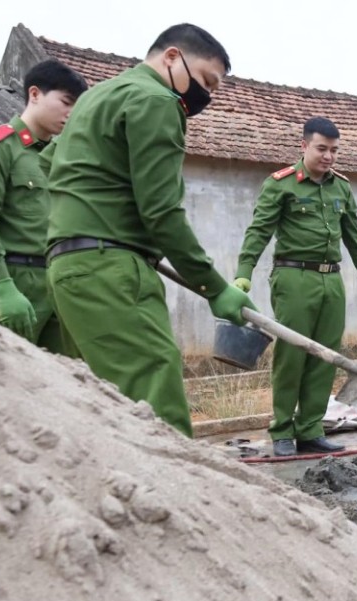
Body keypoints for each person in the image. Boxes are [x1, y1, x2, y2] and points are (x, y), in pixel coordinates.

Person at [42, 24, 255, 438]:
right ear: (171, 57)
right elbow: (161, 211)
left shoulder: (96, 98)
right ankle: (176, 501)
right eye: (206, 81)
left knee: (106, 405)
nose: (206, 96)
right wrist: (213, 286)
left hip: (70, 268)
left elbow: (49, 164)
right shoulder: (157, 100)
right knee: (156, 402)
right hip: (112, 271)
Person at [232, 117, 357, 457]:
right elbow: (258, 231)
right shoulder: (281, 184)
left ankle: (311, 429)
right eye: (322, 149)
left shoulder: (341, 188)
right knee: (293, 355)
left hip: (331, 279)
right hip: (293, 277)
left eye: (334, 150)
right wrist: (245, 271)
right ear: (304, 146)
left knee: (326, 356)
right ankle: (283, 430)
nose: (328, 156)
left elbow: (354, 238)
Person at [0, 60, 88, 349]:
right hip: (14, 278)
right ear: (34, 94)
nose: (71, 113)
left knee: (68, 380)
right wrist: (2, 286)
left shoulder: (62, 157)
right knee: (8, 379)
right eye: (66, 102)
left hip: (60, 281)